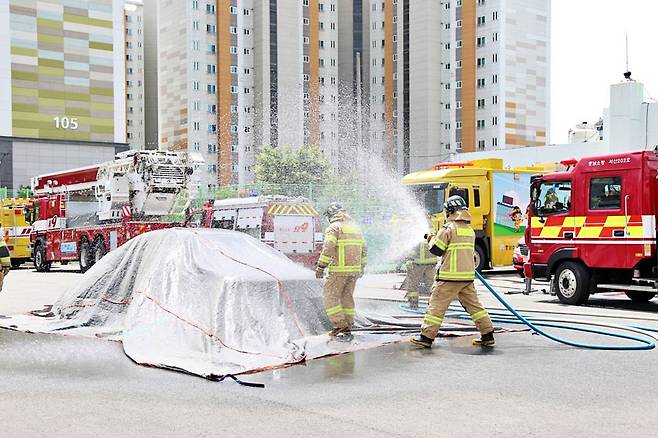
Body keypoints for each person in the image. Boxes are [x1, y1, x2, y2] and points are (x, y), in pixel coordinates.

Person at [410, 195, 495, 348]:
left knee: (436, 306)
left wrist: (431, 238)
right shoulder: (469, 230)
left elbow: (437, 250)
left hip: (449, 278)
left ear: (450, 211)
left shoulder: (448, 229)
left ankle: (426, 337)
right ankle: (487, 334)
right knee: (475, 307)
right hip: (467, 278)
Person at [316, 202, 367, 341]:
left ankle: (339, 324)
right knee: (347, 297)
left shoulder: (334, 227)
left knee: (330, 296)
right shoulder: (355, 228)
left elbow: (328, 247)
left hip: (338, 271)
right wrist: (362, 266)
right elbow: (364, 248)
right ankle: (348, 325)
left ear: (331, 214)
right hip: (354, 271)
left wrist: (321, 266)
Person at [402, 216, 437, 308]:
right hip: (430, 262)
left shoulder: (414, 228)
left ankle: (414, 304)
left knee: (414, 284)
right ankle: (434, 306)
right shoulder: (432, 227)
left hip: (418, 263)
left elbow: (408, 245)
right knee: (432, 285)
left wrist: (408, 259)